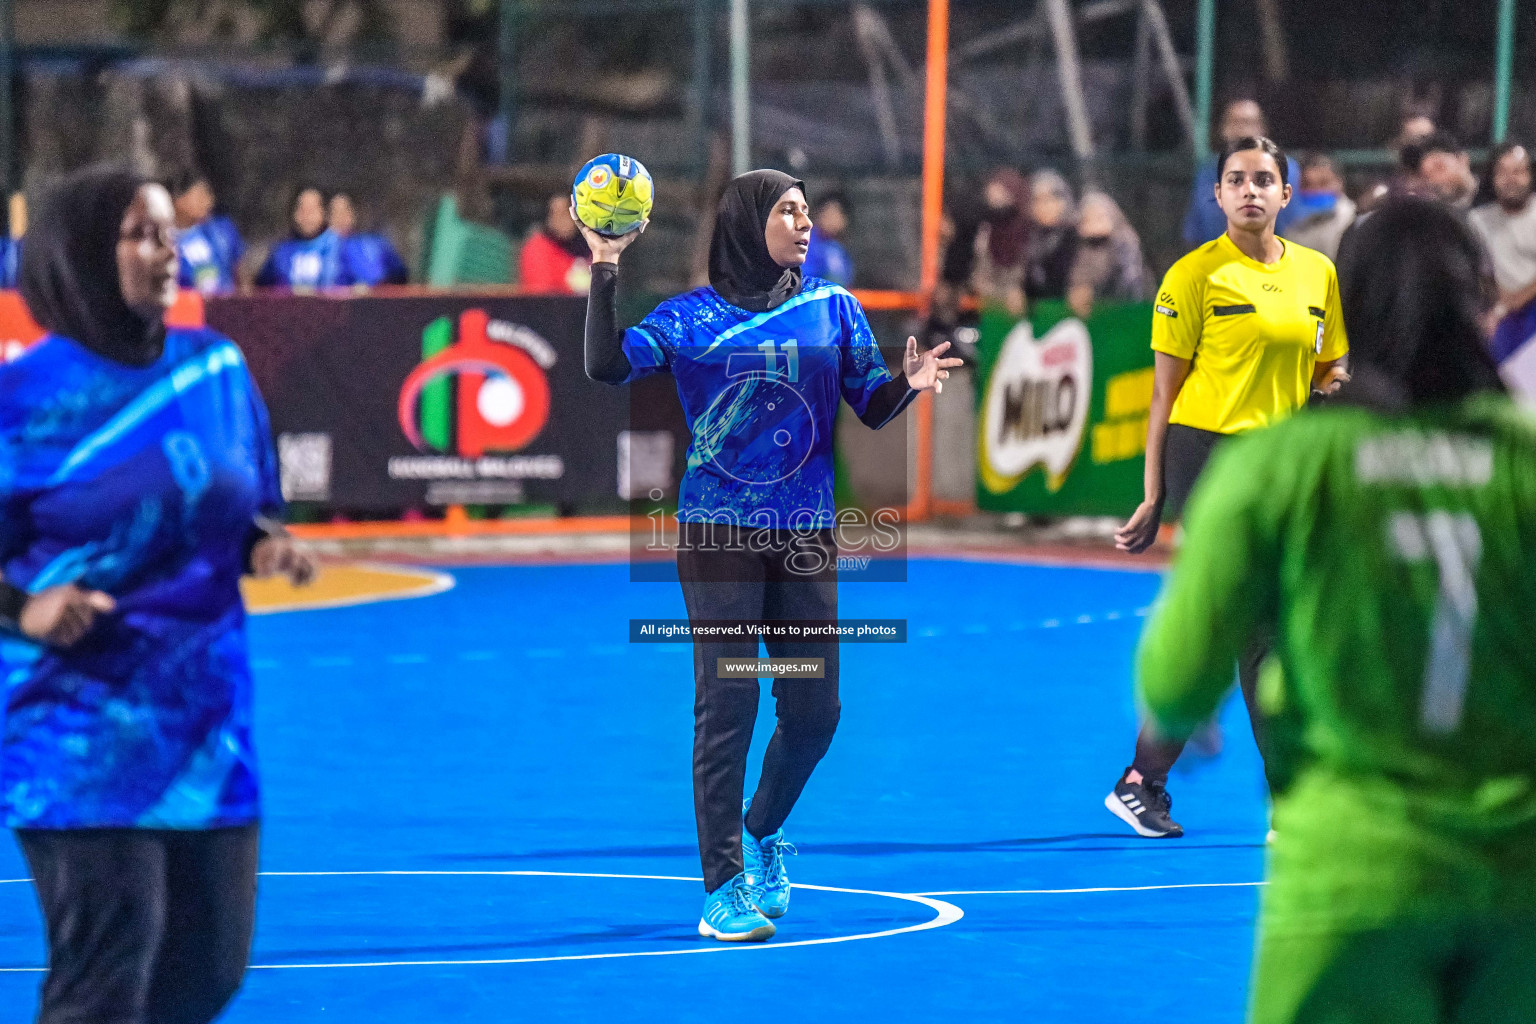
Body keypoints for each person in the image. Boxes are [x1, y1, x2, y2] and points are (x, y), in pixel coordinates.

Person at [1138, 196, 1536, 1024]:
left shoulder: (1287, 468)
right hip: (1515, 885)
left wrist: (1200, 709)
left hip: (1351, 877)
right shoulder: (1522, 466)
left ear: (1346, 307)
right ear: (1485, 300)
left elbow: (1174, 677)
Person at [581, 169, 959, 941]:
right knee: (730, 704)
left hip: (806, 535)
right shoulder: (689, 319)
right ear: (747, 223)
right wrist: (604, 264)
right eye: (787, 210)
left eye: (808, 210)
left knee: (816, 711)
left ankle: (763, 830)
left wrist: (909, 384)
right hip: (717, 536)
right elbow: (605, 365)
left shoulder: (835, 308)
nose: (805, 222)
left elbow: (871, 406)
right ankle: (721, 889)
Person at [1, 164, 316, 1024]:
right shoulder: (21, 398)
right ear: (77, 255)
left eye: (169, 230)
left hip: (206, 719)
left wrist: (267, 543)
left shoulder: (214, 366)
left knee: (208, 970)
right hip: (76, 726)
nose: (167, 249)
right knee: (108, 969)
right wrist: (23, 606)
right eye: (141, 233)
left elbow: (250, 503)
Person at [1108, 136, 1350, 838]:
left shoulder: (1318, 275)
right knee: (1263, 626)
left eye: (1264, 179)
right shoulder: (1192, 276)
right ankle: (1287, 801)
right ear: (1217, 196)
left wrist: (1335, 391)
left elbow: (1328, 368)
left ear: (1286, 194)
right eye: (1236, 180)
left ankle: (1142, 779)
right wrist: (1153, 494)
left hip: (1279, 458)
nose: (1250, 190)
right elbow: (1163, 397)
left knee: (1239, 626)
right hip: (1207, 451)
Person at [1184, 100, 1303, 247]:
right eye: (1235, 123)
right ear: (1223, 129)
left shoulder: (1285, 168)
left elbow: (1293, 227)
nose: (1242, 130)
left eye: (1248, 122)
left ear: (1262, 129)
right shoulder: (1208, 172)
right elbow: (1195, 228)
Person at [1469, 141, 1536, 366]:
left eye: (1518, 172)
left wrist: (1515, 300)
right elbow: (1481, 273)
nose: (1511, 180)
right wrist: (1497, 304)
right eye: (1503, 172)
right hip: (1501, 311)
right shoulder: (1478, 220)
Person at [940, 167, 1031, 317]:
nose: (994, 197)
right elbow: (962, 260)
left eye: (1002, 193)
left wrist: (1017, 288)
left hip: (1007, 306)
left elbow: (1023, 267)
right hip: (973, 301)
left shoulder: (1024, 230)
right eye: (993, 190)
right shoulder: (979, 223)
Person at [1067, 189, 1148, 318]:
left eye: (1099, 217)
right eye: (1088, 219)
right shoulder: (1083, 248)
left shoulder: (1125, 242)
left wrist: (1093, 293)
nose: (1094, 224)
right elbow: (1078, 277)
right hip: (1095, 315)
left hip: (1128, 310)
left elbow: (1130, 280)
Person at [167, 169, 244, 296]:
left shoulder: (221, 232)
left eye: (208, 195)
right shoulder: (165, 240)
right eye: (199, 195)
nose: (208, 201)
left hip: (225, 309)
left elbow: (240, 275)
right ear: (178, 200)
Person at [254, 185, 347, 289]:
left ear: (324, 213)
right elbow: (262, 288)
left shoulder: (341, 248)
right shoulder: (282, 251)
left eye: (311, 210)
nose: (306, 217)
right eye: (301, 209)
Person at [1282, 153, 1356, 261]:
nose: (1315, 190)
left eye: (1323, 183)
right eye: (1307, 184)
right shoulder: (1294, 224)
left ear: (1339, 183)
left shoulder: (1352, 220)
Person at [330, 191, 409, 287]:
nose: (340, 218)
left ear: (353, 214)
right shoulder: (321, 249)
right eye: (335, 213)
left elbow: (399, 273)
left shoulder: (374, 244)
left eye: (345, 211)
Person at [518, 192, 592, 295]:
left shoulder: (591, 246)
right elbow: (541, 296)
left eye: (565, 213)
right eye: (554, 213)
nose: (560, 219)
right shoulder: (537, 247)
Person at [1023, 169, 1078, 303]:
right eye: (1037, 200)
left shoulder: (1077, 236)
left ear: (1063, 202)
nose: (1043, 207)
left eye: (1050, 199)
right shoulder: (1028, 237)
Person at [802, 191, 854, 287]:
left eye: (836, 214)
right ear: (818, 214)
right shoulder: (805, 242)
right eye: (828, 213)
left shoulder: (839, 250)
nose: (832, 219)